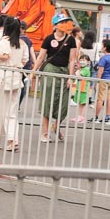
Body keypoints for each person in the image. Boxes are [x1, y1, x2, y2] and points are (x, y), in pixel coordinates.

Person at [0, 15, 29, 152]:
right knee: (12, 111)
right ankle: (12, 140)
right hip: (16, 76)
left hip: (4, 75)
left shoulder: (4, 41)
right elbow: (25, 60)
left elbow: (5, 55)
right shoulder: (23, 43)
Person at [32, 13, 78, 143]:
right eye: (62, 22)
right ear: (55, 25)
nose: (64, 25)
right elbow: (41, 57)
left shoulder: (71, 40)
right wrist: (34, 70)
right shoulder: (48, 39)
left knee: (63, 103)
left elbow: (72, 59)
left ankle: (57, 125)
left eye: (66, 22)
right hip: (50, 70)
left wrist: (70, 77)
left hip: (64, 72)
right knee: (48, 101)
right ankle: (45, 133)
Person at [93, 38, 110, 124]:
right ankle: (108, 118)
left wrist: (97, 81)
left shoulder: (103, 58)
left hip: (103, 79)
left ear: (105, 48)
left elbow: (100, 71)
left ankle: (96, 117)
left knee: (100, 99)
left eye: (102, 45)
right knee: (109, 99)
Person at [73, 53, 93, 123]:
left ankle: (82, 117)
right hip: (80, 88)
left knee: (83, 103)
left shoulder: (86, 69)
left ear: (88, 62)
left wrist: (77, 69)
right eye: (81, 60)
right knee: (80, 103)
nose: (82, 61)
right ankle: (79, 116)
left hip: (84, 89)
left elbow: (79, 75)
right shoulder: (82, 68)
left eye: (84, 60)